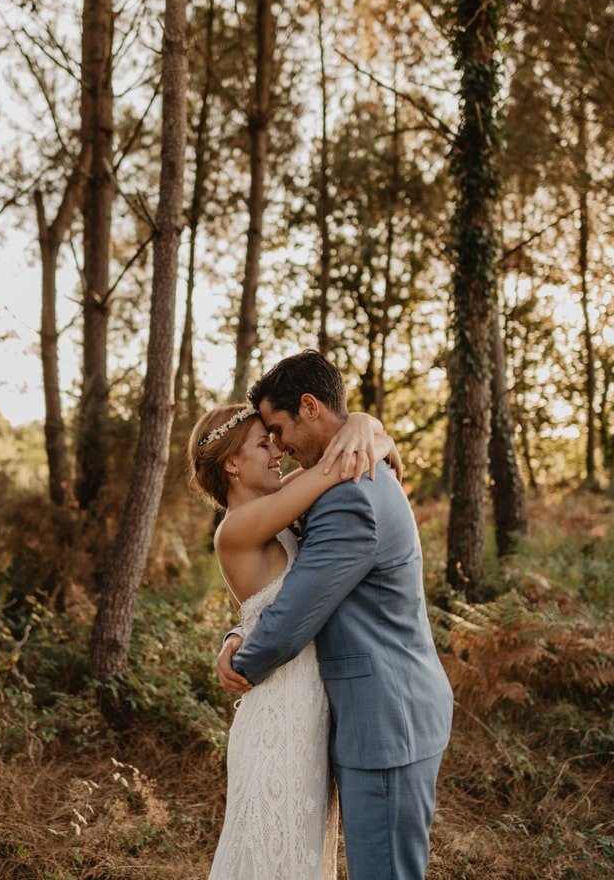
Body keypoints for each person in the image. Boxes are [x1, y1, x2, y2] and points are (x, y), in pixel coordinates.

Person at [216, 350, 454, 880]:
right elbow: (276, 586)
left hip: (385, 720)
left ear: (309, 406)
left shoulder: (349, 495)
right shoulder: (339, 480)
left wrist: (242, 662)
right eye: (266, 440)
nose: (279, 446)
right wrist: (239, 629)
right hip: (362, 716)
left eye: (278, 430)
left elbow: (296, 607)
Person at [189, 395, 400, 880]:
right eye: (264, 444)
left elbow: (352, 454)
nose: (277, 451)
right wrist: (365, 428)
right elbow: (337, 466)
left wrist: (368, 426)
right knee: (267, 851)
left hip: (312, 710)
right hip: (276, 717)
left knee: (301, 853)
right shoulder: (235, 529)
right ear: (233, 465)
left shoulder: (278, 501)